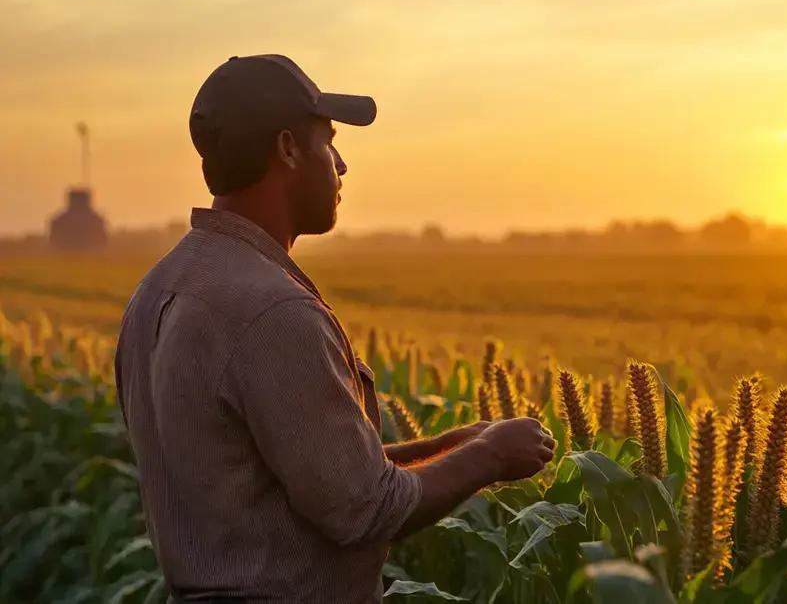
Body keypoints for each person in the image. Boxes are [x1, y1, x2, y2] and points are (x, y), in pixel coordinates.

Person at [114, 54, 555, 603]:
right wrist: (491, 458)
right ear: (288, 149)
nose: (341, 165)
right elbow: (364, 508)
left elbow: (310, 472)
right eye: (328, 142)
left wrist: (457, 444)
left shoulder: (156, 291)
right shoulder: (274, 313)